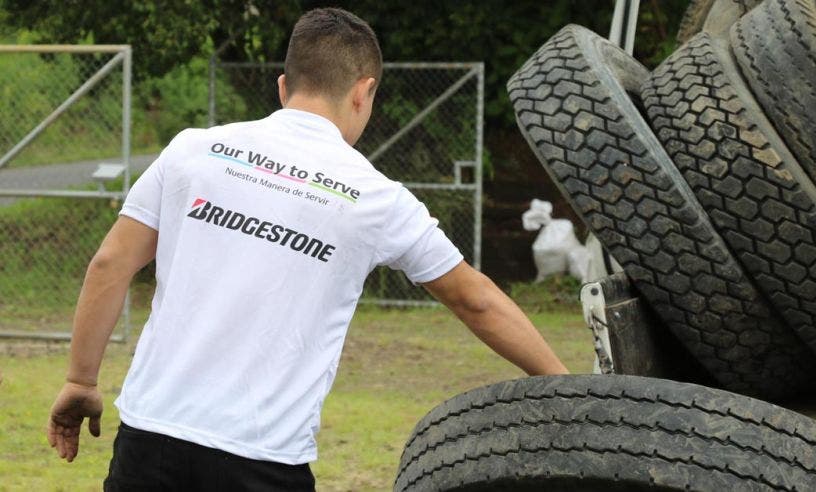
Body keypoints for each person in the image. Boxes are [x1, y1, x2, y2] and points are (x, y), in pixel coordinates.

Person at [46, 7, 568, 490]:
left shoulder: (192, 150)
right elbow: (473, 299)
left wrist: (80, 379)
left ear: (282, 87)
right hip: (262, 458)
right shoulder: (378, 197)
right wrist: (567, 387)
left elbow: (110, 264)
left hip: (148, 440)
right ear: (364, 92)